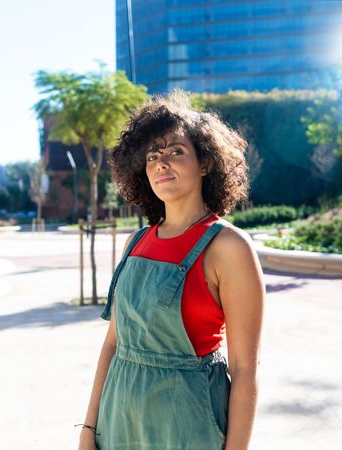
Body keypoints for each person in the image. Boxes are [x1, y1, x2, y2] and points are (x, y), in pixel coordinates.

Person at [78, 91, 265, 450]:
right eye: (152, 156)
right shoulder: (135, 242)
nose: (161, 163)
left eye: (175, 151)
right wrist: (88, 430)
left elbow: (245, 370)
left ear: (206, 162)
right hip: (118, 423)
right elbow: (113, 344)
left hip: (187, 428)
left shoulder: (228, 248)